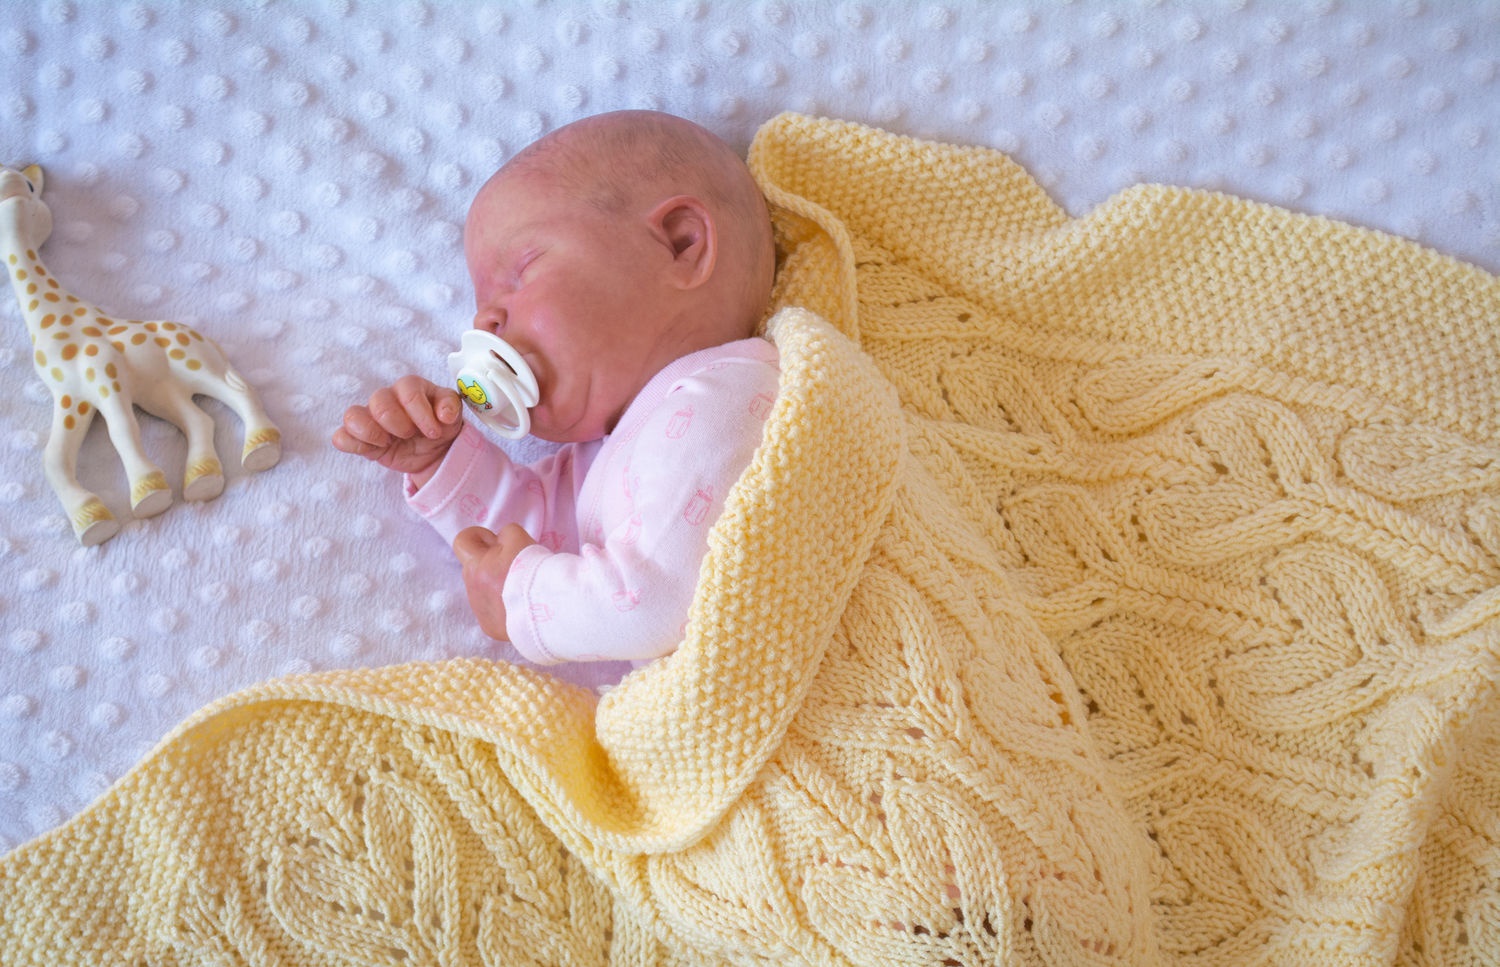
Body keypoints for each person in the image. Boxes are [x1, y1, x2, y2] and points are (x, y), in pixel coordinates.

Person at [333, 110, 779, 665]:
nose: (483, 323)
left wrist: (525, 599)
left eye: (521, 273)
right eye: (479, 304)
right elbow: (533, 535)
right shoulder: (609, 451)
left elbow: (655, 599)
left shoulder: (729, 398)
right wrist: (440, 462)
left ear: (680, 243)